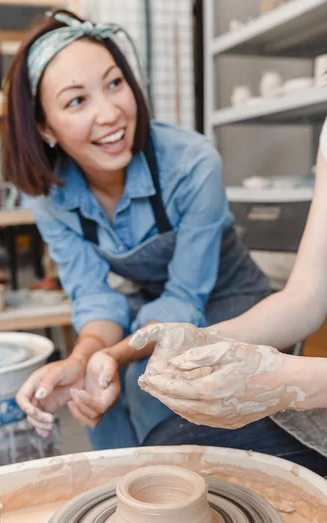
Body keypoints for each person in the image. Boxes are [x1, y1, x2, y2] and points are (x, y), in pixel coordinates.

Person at [3, 10, 270, 450]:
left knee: (154, 391)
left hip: (229, 300)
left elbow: (185, 299)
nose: (110, 114)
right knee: (94, 397)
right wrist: (82, 358)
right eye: (77, 101)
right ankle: (121, 507)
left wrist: (118, 354)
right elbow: (96, 298)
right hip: (152, 305)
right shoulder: (51, 196)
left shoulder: (192, 164)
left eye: (114, 84)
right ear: (44, 126)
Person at [81, 118, 327, 474]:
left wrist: (284, 381)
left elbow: (185, 289)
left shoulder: (191, 159)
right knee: (168, 450)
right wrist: (200, 340)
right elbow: (304, 299)